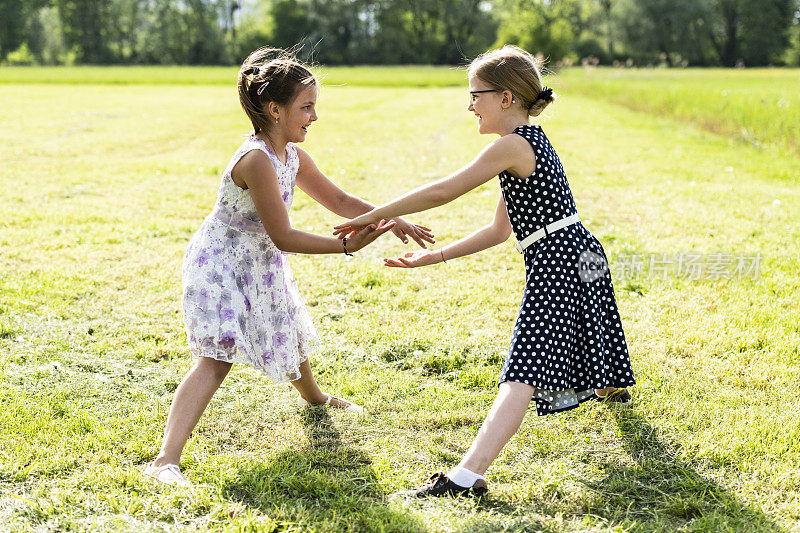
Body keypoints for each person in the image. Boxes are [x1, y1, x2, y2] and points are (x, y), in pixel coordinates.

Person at [334, 45, 635, 498]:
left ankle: (466, 475)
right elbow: (500, 230)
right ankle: (611, 390)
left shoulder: (510, 146)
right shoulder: (528, 145)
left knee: (525, 369)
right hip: (582, 253)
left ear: (506, 98)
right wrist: (433, 257)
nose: (470, 104)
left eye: (476, 95)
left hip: (561, 262)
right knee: (591, 338)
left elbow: (442, 192)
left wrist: (370, 215)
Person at [144, 47, 433, 486]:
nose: (314, 116)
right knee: (216, 358)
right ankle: (166, 460)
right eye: (307, 107)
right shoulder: (257, 159)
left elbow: (338, 201)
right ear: (274, 109)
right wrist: (348, 248)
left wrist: (391, 215)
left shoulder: (291, 156)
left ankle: (315, 399)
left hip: (258, 259)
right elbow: (284, 237)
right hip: (222, 262)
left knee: (286, 327)